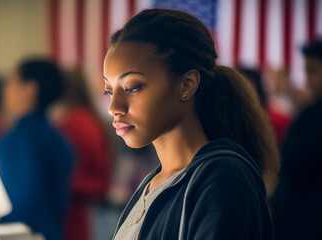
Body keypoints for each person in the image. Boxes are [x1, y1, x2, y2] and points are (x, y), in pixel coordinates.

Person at [103, 9, 280, 239]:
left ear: (186, 85)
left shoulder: (223, 179)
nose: (114, 107)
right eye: (109, 91)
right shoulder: (152, 183)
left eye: (132, 87)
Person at [0, 58, 73, 240]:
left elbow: (20, 203)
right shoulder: (55, 137)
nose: (5, 89)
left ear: (30, 89)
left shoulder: (21, 139)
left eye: (11, 82)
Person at [50, 67, 112, 240]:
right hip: (85, 211)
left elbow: (91, 178)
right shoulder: (88, 119)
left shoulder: (73, 124)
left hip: (75, 212)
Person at [270, 41, 322, 240]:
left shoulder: (313, 114)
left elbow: (296, 159)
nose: (307, 80)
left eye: (313, 71)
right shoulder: (309, 112)